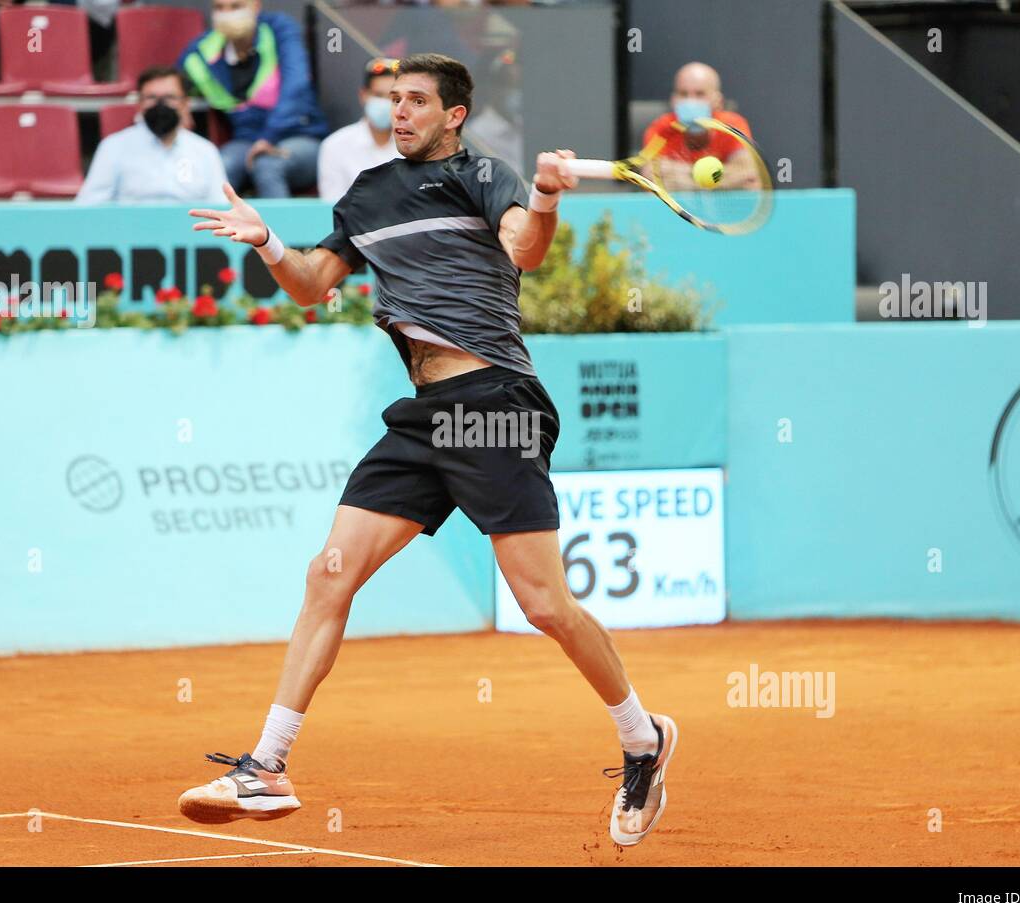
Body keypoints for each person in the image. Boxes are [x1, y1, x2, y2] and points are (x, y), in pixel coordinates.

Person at [181, 53, 677, 848]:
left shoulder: (485, 175)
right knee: (329, 572)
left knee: (544, 605)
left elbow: (525, 248)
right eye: (391, 99)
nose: (399, 111)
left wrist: (545, 196)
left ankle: (640, 737)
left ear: (454, 114)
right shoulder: (367, 194)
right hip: (423, 416)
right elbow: (314, 283)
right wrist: (268, 243)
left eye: (416, 100)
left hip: (494, 407)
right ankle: (266, 768)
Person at [177, 0, 328, 198]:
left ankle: (277, 229)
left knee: (267, 164)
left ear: (255, 6)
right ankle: (213, 228)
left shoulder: (278, 29)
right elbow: (176, 84)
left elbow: (296, 85)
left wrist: (269, 136)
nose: (227, 14)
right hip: (245, 140)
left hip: (299, 135)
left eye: (235, 6)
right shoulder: (203, 49)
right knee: (220, 165)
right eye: (219, 8)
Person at [77, 67, 227, 204]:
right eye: (151, 98)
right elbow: (90, 204)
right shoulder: (114, 147)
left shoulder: (204, 151)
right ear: (139, 103)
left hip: (189, 230)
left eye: (170, 97)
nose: (160, 105)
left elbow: (220, 205)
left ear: (185, 103)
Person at [643, 61, 759, 191]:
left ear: (718, 101)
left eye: (700, 94)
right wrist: (724, 179)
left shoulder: (732, 125)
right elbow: (651, 179)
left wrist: (688, 175)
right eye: (683, 94)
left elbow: (749, 177)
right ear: (673, 99)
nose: (690, 101)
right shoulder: (661, 128)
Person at [315, 57, 402, 203]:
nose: (385, 103)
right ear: (363, 96)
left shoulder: (413, 144)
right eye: (378, 95)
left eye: (393, 98)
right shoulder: (334, 146)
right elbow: (333, 207)